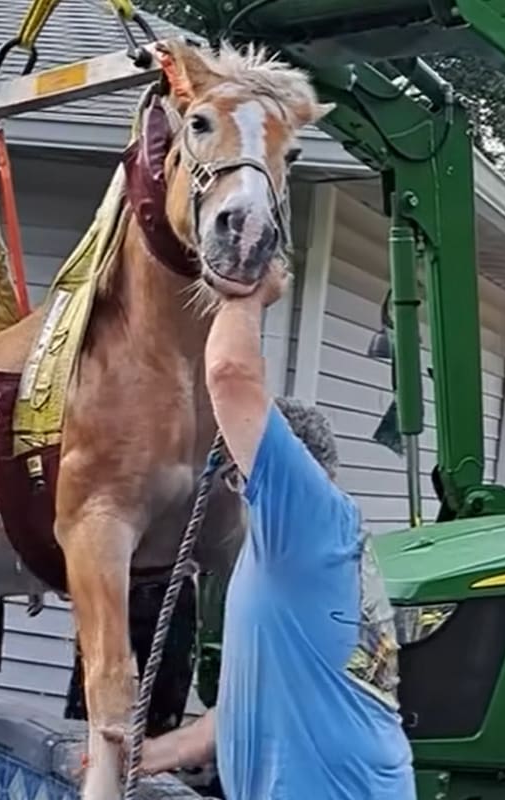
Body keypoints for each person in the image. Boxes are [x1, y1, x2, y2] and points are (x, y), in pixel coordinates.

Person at [138, 269, 416, 799]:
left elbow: (230, 378)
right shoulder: (291, 555)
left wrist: (249, 294)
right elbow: (248, 702)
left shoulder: (309, 518)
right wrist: (154, 754)